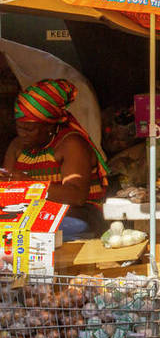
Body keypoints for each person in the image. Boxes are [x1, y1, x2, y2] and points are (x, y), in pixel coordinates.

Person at [1, 79, 108, 239]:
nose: (23, 133)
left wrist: (29, 185)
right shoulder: (17, 146)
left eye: (30, 129)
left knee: (32, 229)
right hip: (34, 212)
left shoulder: (71, 144)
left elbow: (77, 197)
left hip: (81, 214)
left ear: (49, 126)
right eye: (19, 127)